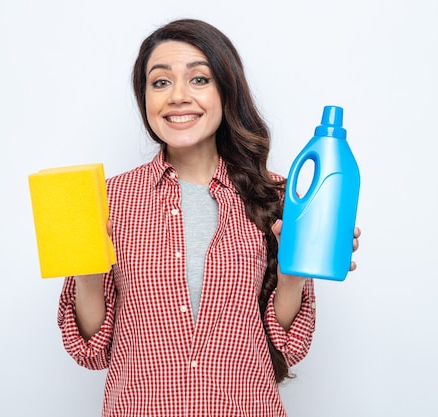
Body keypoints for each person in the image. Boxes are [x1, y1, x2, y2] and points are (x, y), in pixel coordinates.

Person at [57, 18, 361, 417]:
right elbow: (91, 351)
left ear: (226, 92)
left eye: (198, 80)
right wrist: (87, 273)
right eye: (160, 82)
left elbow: (287, 346)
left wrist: (292, 279)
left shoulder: (278, 196)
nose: (178, 96)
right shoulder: (107, 200)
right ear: (144, 97)